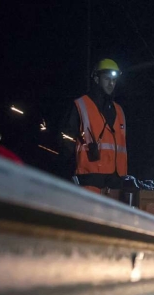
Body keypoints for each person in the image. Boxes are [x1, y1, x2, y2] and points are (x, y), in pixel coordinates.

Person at [60, 58, 130, 197]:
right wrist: (69, 170)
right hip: (89, 180)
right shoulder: (80, 105)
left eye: (114, 80)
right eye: (107, 79)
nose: (111, 83)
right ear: (96, 79)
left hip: (115, 183)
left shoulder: (119, 110)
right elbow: (65, 141)